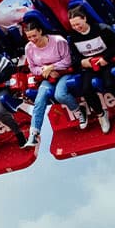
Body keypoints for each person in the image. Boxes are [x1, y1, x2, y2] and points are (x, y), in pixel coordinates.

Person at [63, 4, 115, 131]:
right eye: (73, 25)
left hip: (107, 62)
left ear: (85, 18)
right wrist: (82, 62)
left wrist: (105, 58)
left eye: (78, 24)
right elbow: (74, 58)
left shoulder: (102, 29)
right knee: (86, 89)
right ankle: (101, 114)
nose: (77, 28)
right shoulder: (73, 37)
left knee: (110, 83)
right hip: (89, 67)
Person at [18, 14, 73, 150]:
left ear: (40, 31)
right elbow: (32, 68)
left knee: (60, 94)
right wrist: (44, 70)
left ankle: (78, 110)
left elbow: (67, 61)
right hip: (47, 77)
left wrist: (52, 67)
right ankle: (34, 134)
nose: (32, 40)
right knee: (39, 99)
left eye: (34, 36)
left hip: (64, 73)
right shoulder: (29, 48)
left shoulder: (58, 41)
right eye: (29, 37)